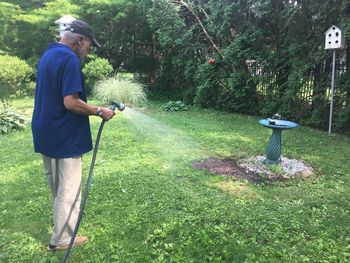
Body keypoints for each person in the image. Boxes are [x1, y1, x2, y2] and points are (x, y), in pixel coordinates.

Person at [31, 20, 116, 251]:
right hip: (63, 135)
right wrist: (99, 111)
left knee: (58, 187)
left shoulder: (49, 55)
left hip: (45, 131)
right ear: (80, 40)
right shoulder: (69, 59)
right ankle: (62, 240)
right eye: (89, 46)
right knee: (68, 189)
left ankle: (61, 231)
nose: (88, 51)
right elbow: (71, 102)